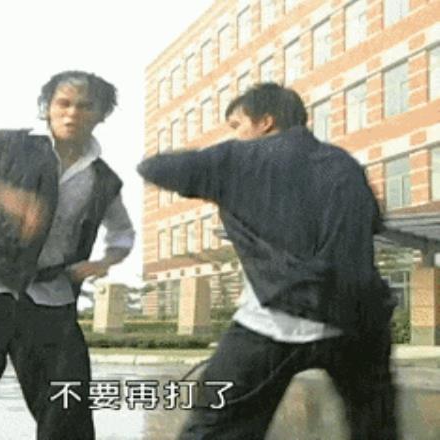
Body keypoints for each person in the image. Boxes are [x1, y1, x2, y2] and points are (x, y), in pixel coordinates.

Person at [137, 82, 398, 440]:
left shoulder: (239, 160)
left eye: (237, 125)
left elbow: (155, 168)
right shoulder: (344, 164)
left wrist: (229, 184)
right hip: (357, 324)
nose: (236, 135)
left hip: (272, 321)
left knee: (215, 430)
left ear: (265, 122)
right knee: (376, 430)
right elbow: (372, 224)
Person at [0, 70, 134, 440]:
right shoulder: (4, 144)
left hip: (48, 294)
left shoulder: (102, 179)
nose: (72, 113)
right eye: (63, 103)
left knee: (67, 402)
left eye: (84, 106)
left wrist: (104, 262)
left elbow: (122, 233)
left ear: (101, 114)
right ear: (47, 107)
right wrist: (1, 193)